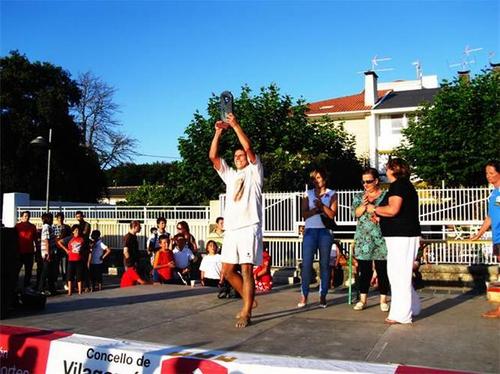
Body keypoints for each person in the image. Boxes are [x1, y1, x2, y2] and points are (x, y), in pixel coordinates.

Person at [209, 112, 264, 328]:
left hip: (249, 226)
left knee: (246, 269)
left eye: (240, 156)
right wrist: (218, 133)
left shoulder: (255, 171)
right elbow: (213, 157)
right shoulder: (230, 175)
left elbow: (248, 148)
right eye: (236, 156)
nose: (238, 158)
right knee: (228, 271)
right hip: (232, 229)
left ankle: (246, 311)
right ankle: (249, 300)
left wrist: (235, 125)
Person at [367, 158, 421, 324]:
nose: (385, 170)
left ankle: (401, 315)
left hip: (402, 236)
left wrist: (374, 208)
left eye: (387, 167)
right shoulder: (404, 185)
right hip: (401, 234)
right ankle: (414, 306)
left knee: (399, 275)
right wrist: (380, 216)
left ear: (393, 170)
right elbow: (394, 211)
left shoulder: (398, 186)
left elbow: (393, 209)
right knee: (399, 273)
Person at [351, 168, 390, 312]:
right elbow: (355, 213)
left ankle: (383, 299)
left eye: (368, 181)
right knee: (364, 270)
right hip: (363, 239)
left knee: (382, 269)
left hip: (381, 238)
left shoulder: (385, 196)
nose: (365, 184)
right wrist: (364, 205)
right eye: (363, 181)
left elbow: (390, 213)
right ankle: (363, 300)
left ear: (376, 181)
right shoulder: (359, 196)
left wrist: (377, 213)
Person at [298, 168, 337, 309]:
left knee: (324, 264)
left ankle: (323, 295)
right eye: (314, 178)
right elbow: (304, 214)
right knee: (307, 263)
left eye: (319, 178)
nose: (316, 180)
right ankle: (304, 294)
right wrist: (315, 209)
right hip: (310, 231)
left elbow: (332, 214)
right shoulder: (307, 194)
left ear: (324, 179)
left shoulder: (332, 194)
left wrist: (322, 206)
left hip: (325, 232)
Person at [471, 160, 500, 318]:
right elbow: (490, 217)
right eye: (486, 173)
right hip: (497, 238)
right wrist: (479, 234)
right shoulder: (495, 193)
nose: (488, 176)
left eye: (491, 173)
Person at [58, 225, 84, 296]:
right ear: (73, 231)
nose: (77, 232)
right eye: (75, 230)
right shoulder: (70, 238)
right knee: (69, 276)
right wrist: (66, 250)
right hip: (71, 259)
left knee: (79, 276)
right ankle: (69, 291)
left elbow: (86, 247)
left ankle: (79, 291)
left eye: (78, 230)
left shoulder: (82, 239)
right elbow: (59, 242)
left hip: (79, 260)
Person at [15, 211, 38, 288]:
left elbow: (35, 239)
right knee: (16, 269)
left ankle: (26, 285)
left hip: (29, 251)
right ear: (21, 217)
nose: (26, 217)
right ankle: (15, 285)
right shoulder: (17, 226)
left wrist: (37, 249)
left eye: (28, 216)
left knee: (28, 270)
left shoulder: (33, 226)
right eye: (25, 216)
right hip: (19, 252)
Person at [38, 212, 58, 295]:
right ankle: (41, 288)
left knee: (50, 271)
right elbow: (46, 240)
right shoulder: (46, 227)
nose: (53, 220)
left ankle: (51, 288)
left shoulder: (49, 227)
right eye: (51, 218)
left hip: (49, 251)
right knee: (45, 271)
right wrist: (48, 252)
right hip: (48, 252)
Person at [53, 212, 71, 290]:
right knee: (55, 267)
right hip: (55, 249)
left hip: (64, 249)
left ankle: (65, 282)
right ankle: (55, 283)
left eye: (62, 218)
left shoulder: (67, 227)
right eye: (59, 218)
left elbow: (70, 237)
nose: (60, 219)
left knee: (64, 267)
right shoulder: (53, 227)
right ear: (56, 219)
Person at [75, 211, 91, 291]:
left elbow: (84, 234)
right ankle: (78, 285)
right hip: (77, 248)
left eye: (80, 216)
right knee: (78, 268)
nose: (78, 218)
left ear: (83, 216)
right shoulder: (77, 226)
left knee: (85, 267)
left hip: (85, 248)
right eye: (77, 217)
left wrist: (78, 232)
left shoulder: (87, 224)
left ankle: (87, 285)